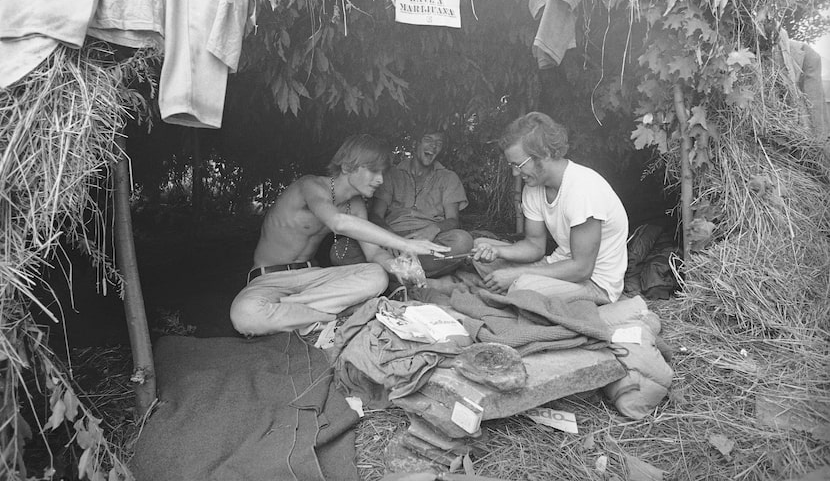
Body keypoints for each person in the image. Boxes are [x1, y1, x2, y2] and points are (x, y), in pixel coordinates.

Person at [230, 134, 449, 336]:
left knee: (376, 275)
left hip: (312, 278)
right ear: (347, 166)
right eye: (374, 171)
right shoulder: (310, 185)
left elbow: (373, 255)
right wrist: (405, 243)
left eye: (382, 173)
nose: (381, 180)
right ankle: (333, 315)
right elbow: (337, 222)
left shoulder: (356, 206)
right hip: (268, 279)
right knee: (245, 315)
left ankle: (295, 313)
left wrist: (399, 267)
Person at [472, 112, 629, 304]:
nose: (515, 172)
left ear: (545, 153)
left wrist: (515, 275)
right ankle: (518, 291)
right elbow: (534, 246)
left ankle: (518, 292)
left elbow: (582, 268)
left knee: (521, 287)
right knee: (479, 248)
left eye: (519, 165)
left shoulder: (583, 189)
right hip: (557, 265)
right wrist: (497, 252)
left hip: (594, 283)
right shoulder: (533, 187)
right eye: (511, 165)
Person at [367, 128, 474, 278]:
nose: (434, 146)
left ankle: (395, 274)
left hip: (429, 241)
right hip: (392, 239)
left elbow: (453, 220)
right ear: (415, 143)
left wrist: (434, 229)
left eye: (439, 143)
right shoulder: (392, 174)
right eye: (428, 140)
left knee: (463, 241)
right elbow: (375, 215)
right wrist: (389, 237)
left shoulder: (448, 177)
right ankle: (411, 274)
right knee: (342, 251)